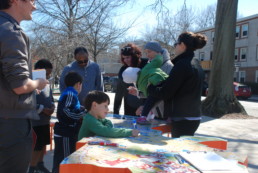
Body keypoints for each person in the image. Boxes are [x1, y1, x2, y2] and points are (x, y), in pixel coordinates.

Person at [0, 1, 49, 173]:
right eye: (32, 1)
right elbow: (20, 86)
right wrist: (38, 83)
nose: (35, 7)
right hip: (11, 126)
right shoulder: (11, 32)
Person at [147, 32, 207, 138]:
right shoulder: (196, 63)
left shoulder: (182, 65)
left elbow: (166, 93)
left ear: (182, 45)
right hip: (194, 117)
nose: (174, 47)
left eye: (176, 44)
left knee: (179, 152)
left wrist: (149, 87)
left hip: (182, 119)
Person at [52, 72, 86, 173]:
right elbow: (66, 112)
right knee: (65, 159)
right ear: (78, 84)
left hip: (67, 132)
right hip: (65, 132)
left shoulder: (70, 93)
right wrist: (83, 114)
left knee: (61, 158)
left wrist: (84, 109)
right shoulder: (70, 94)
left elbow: (74, 108)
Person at [28, 59, 55, 173]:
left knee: (43, 143)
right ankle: (32, 168)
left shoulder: (47, 84)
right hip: (35, 121)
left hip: (45, 121)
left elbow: (51, 99)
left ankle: (40, 163)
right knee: (36, 146)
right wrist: (43, 109)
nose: (48, 77)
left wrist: (52, 107)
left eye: (49, 74)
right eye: (46, 74)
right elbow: (29, 103)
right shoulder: (31, 83)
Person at [113, 43, 148, 116]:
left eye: (128, 57)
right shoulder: (123, 70)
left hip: (145, 107)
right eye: (123, 58)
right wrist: (115, 113)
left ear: (135, 56)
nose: (125, 60)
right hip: (129, 108)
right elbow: (119, 93)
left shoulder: (146, 65)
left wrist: (145, 105)